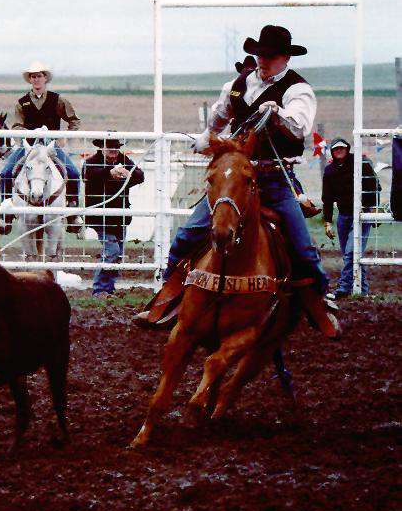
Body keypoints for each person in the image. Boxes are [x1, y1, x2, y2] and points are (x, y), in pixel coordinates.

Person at [136, 25, 337, 335]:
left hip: (273, 178)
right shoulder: (237, 86)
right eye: (259, 55)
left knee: (302, 246)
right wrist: (205, 142)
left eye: (270, 56)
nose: (262, 61)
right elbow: (218, 119)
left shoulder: (298, 90)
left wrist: (277, 113)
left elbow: (298, 128)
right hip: (234, 178)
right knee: (189, 232)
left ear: (285, 58)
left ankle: (321, 300)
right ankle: (167, 296)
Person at [0, 61, 82, 235]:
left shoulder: (58, 100)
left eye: (39, 76)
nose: (36, 79)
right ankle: (6, 212)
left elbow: (74, 120)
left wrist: (63, 137)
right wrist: (29, 132)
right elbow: (16, 126)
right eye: (33, 76)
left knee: (73, 173)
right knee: (5, 172)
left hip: (51, 146)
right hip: (29, 146)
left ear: (45, 78)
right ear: (29, 79)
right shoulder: (22, 103)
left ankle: (72, 211)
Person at [82, 137, 144, 297]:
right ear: (101, 148)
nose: (114, 151)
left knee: (117, 253)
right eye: (110, 148)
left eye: (116, 148)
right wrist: (109, 172)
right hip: (100, 217)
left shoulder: (123, 160)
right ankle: (99, 289)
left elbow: (140, 175)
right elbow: (88, 174)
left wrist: (127, 173)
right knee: (112, 251)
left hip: (119, 216)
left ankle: (108, 289)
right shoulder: (91, 162)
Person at [322, 138, 381, 298]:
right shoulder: (329, 171)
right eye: (336, 149)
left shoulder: (361, 163)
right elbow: (327, 198)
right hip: (343, 216)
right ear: (332, 152)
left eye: (342, 148)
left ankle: (343, 288)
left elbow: (375, 187)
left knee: (351, 253)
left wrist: (373, 209)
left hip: (362, 215)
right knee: (352, 255)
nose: (339, 151)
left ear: (347, 149)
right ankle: (363, 291)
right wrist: (327, 222)